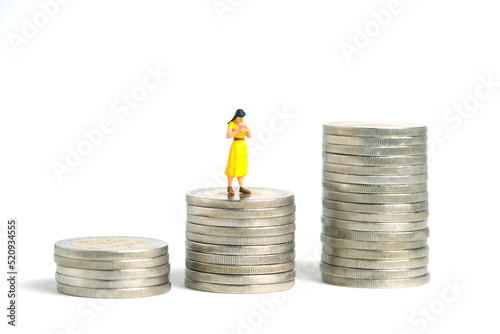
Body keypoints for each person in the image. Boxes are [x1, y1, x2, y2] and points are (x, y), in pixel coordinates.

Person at [225, 109, 252, 195]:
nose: (242, 120)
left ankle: (242, 187)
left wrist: (248, 131)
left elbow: (249, 136)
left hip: (243, 147)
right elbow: (228, 136)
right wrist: (237, 131)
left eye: (243, 118)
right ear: (236, 117)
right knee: (233, 165)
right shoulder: (232, 124)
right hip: (236, 146)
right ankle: (229, 187)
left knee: (241, 166)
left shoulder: (243, 124)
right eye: (240, 118)